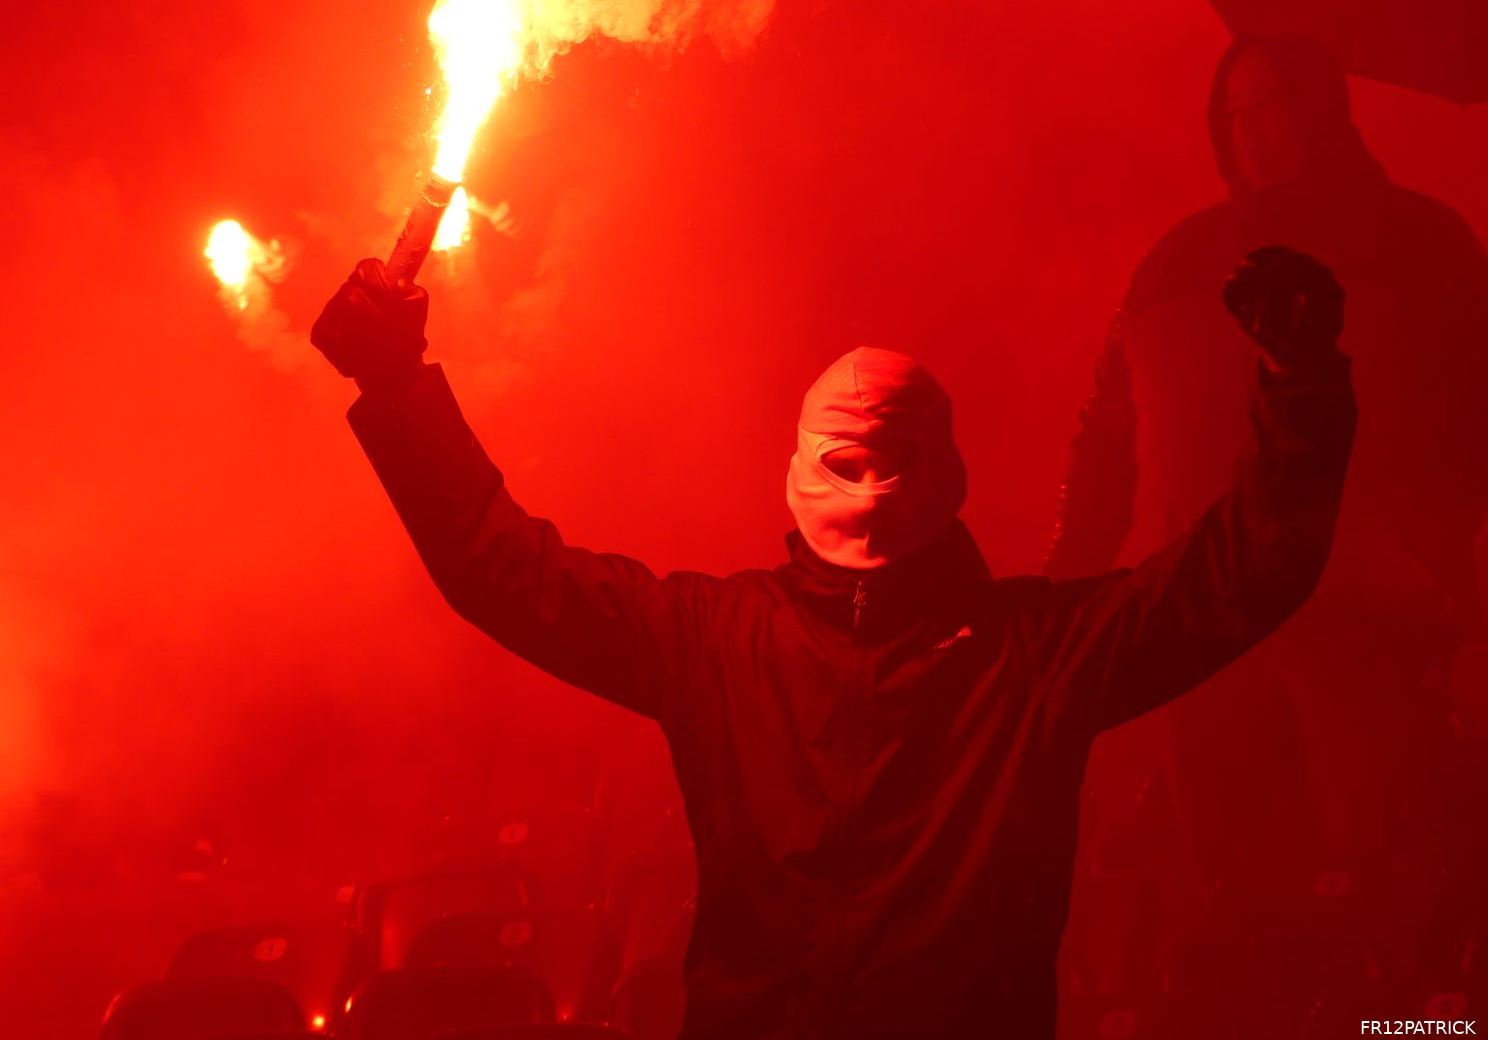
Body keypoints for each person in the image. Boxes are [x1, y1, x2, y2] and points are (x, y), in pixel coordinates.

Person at [311, 244, 1354, 1039]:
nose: (867, 491)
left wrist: (1301, 387)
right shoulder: (729, 640)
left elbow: (1242, 574)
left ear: (939, 473)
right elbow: (506, 573)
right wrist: (397, 392)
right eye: (843, 465)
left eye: (887, 462)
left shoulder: (1019, 653)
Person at [1047, 34, 1488, 965]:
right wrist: (1063, 594)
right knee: (1231, 904)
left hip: (1365, 623)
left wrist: (1453, 583)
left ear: (1322, 109)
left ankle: (1403, 1023)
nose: (1253, 130)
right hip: (1200, 632)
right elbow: (1109, 445)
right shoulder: (1177, 261)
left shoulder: (1419, 245)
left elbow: (1473, 420)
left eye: (1274, 104)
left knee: (1384, 893)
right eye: (1234, 112)